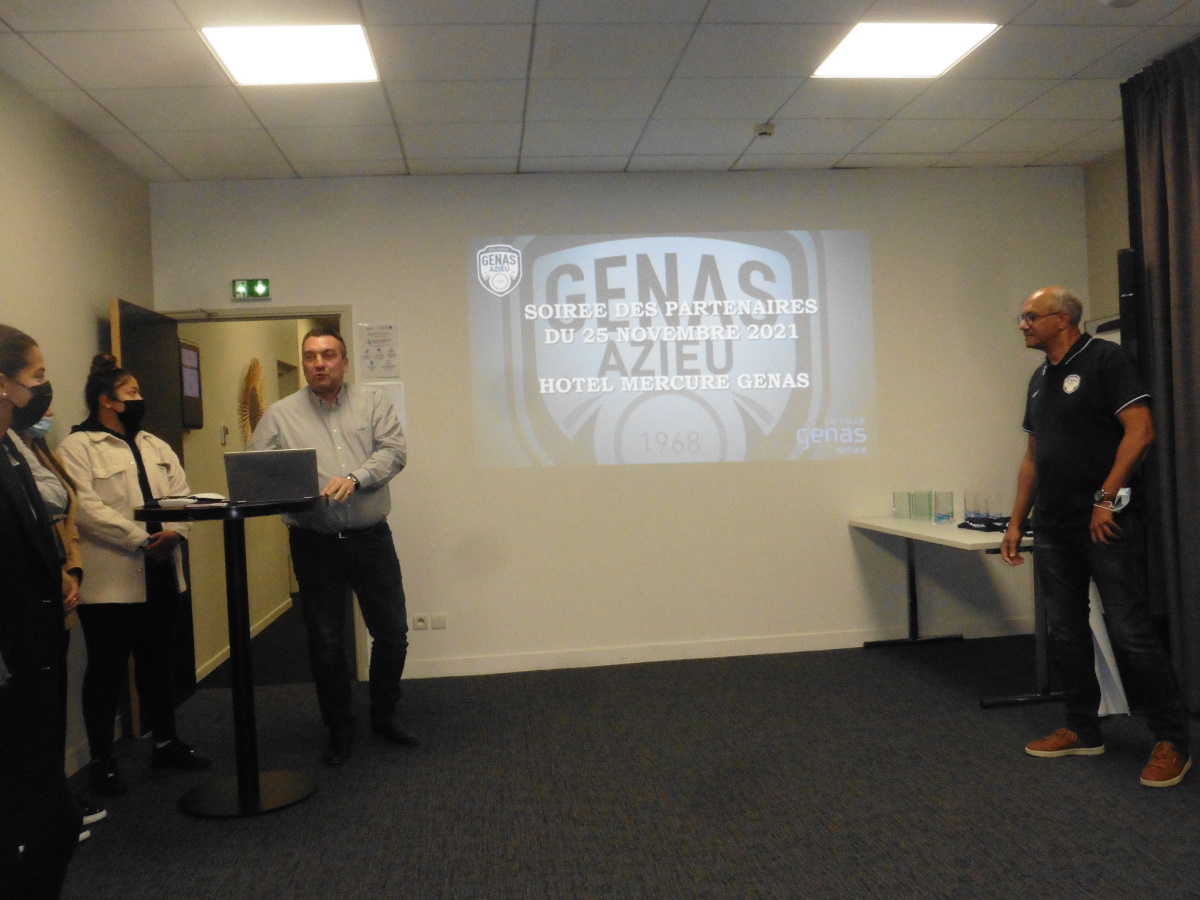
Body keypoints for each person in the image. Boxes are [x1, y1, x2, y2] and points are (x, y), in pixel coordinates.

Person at [1000, 286, 1191, 787]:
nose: (1022, 324)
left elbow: (1141, 431)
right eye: (1022, 317)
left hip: (1106, 521)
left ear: (1062, 319)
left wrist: (1105, 499)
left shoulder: (1107, 360)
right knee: (1065, 630)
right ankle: (1083, 728)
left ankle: (1172, 740)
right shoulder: (1040, 378)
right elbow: (1032, 458)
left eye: (1030, 316)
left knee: (1130, 631)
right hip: (1054, 526)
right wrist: (1017, 521)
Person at [248, 326, 415, 765]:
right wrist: (287, 490)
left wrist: (356, 478)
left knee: (392, 632)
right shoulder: (280, 415)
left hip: (370, 539)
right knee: (325, 641)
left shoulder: (373, 402)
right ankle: (339, 727)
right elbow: (255, 472)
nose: (319, 363)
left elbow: (394, 451)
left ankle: (384, 714)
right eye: (310, 356)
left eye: (328, 354)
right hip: (314, 544)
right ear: (304, 364)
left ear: (344, 361)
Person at [57, 355, 210, 798]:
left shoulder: (154, 444)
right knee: (105, 670)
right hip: (111, 581)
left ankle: (165, 742)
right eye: (132, 392)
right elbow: (85, 510)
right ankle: (102, 761)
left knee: (157, 663)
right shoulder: (77, 447)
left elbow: (183, 495)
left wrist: (175, 532)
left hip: (161, 572)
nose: (140, 399)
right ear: (107, 401)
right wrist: (140, 539)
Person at [0, 324, 82, 898]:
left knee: (50, 822)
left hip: (33, 649)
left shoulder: (12, 445)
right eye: (35, 377)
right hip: (10, 661)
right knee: (45, 822)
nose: (41, 390)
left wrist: (60, 570)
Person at [13, 409, 109, 838]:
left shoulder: (36, 450)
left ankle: (55, 800)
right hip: (27, 594)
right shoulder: (11, 453)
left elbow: (63, 517)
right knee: (30, 709)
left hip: (58, 584)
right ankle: (43, 812)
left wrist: (71, 571)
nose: (48, 407)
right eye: (36, 381)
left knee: (51, 701)